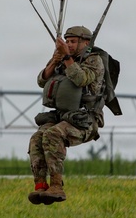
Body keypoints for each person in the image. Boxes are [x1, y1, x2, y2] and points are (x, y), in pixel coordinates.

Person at [28, 25, 105, 205]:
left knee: (53, 134)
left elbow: (81, 79)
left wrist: (67, 58)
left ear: (85, 43)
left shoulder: (94, 60)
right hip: (62, 117)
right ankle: (40, 185)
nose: (69, 45)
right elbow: (42, 80)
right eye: (67, 41)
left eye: (73, 42)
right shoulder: (62, 59)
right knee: (37, 137)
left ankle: (56, 186)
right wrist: (55, 61)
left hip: (85, 121)